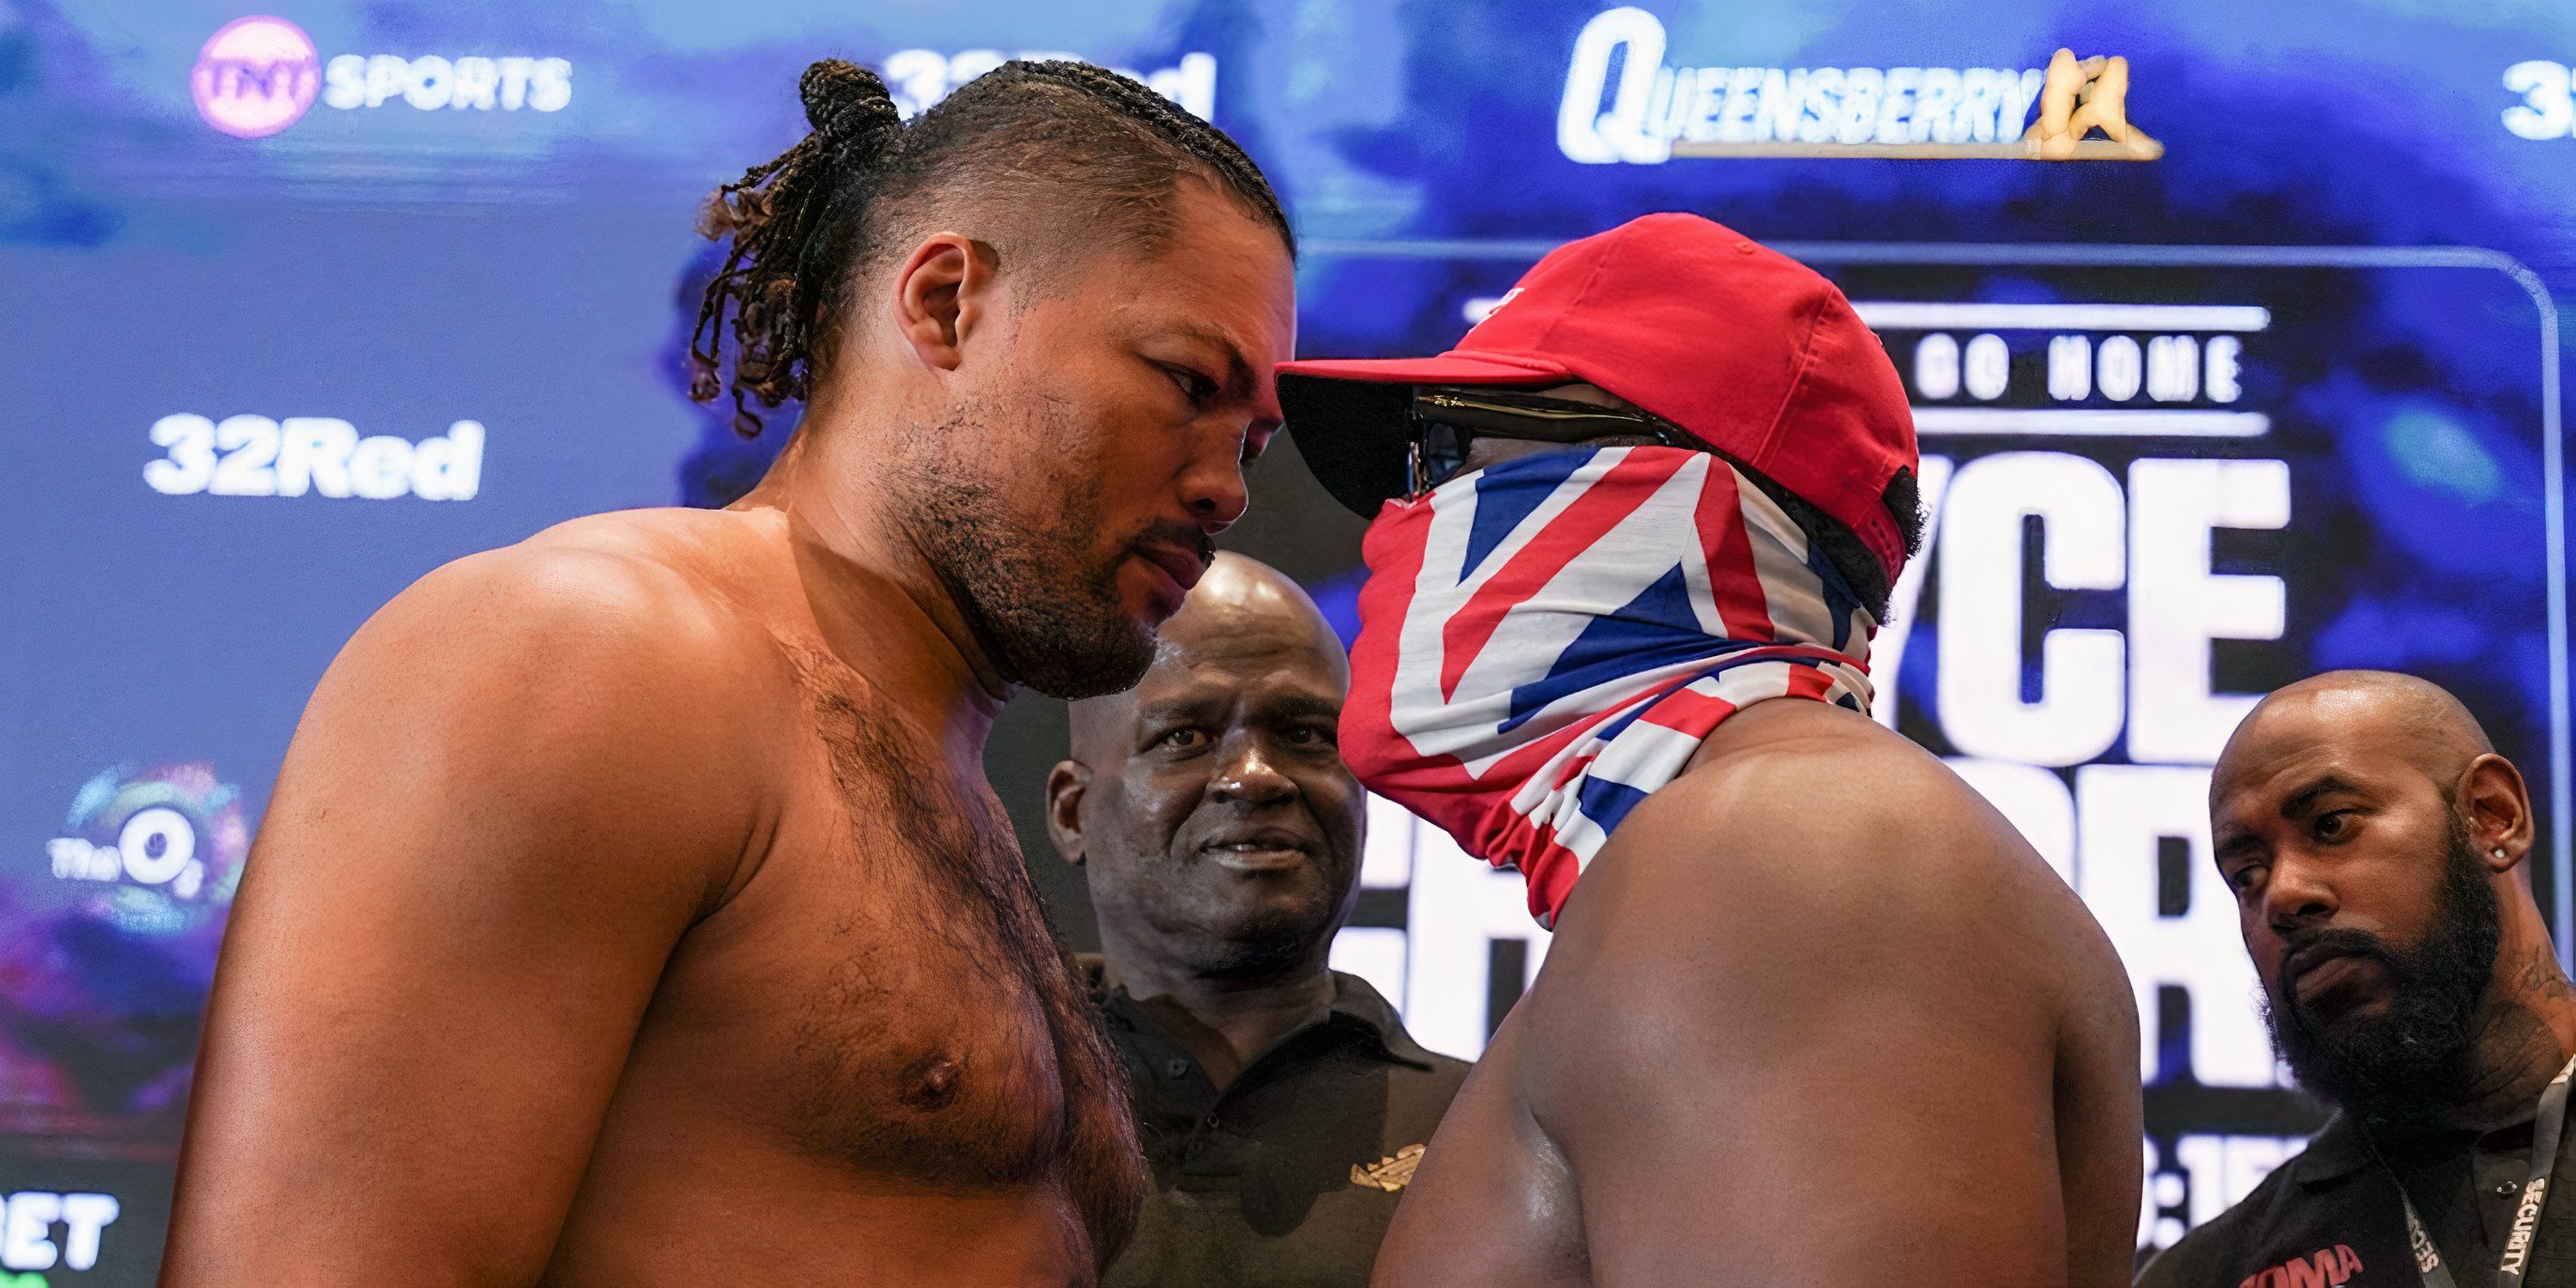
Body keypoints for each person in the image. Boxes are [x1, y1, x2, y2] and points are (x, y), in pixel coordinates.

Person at [163, 59, 1297, 1285]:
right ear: (947, 303)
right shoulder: (594, 653)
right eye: (1189, 385)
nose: (1226, 487)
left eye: (1252, 438)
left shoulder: (937, 775)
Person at [1273, 212, 2143, 1285]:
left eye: (1452, 452)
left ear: (1668, 492)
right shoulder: (1738, 858)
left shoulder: (1794, 853)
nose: (1411, 514)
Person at [1045, 551, 1470, 1286]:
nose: (1256, 776)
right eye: (1186, 736)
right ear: (1072, 813)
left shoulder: (1485, 1128)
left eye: (1305, 733)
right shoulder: (972, 1109)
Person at [2141, 671, 2573, 1287]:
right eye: (2246, 874)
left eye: (2331, 825)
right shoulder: (2210, 1276)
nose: (2282, 896)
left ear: (2491, 817)